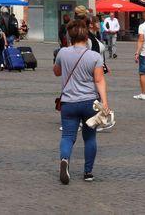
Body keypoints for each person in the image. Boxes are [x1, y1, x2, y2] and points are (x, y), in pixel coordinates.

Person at [53, 19, 109, 184]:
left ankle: (64, 160)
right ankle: (88, 172)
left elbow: (56, 72)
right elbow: (99, 80)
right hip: (89, 101)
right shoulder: (95, 56)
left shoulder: (62, 53)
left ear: (70, 37)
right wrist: (105, 101)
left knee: (68, 136)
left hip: (69, 102)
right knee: (90, 138)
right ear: (87, 38)